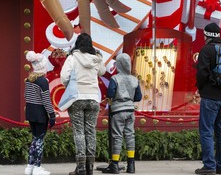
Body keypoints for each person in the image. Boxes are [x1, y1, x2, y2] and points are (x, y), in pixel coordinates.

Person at [60, 33, 106, 175]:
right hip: (93, 98)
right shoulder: (96, 58)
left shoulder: (72, 58)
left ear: (78, 44)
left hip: (77, 98)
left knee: (79, 132)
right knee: (90, 131)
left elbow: (64, 77)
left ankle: (80, 167)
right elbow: (103, 72)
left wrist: (70, 85)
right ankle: (90, 167)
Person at [195, 23, 221, 175]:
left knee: (206, 131)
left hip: (210, 97)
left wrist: (200, 89)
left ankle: (209, 166)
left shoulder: (206, 50)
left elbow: (202, 73)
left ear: (207, 35)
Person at [102, 53, 142, 174]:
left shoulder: (115, 78)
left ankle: (114, 164)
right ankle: (131, 165)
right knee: (130, 135)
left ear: (118, 65)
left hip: (118, 110)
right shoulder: (134, 79)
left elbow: (110, 94)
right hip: (130, 110)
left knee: (117, 136)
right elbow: (138, 97)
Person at [24, 51, 56, 175]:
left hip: (31, 113)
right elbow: (46, 100)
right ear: (43, 66)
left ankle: (29, 166)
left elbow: (26, 96)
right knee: (39, 140)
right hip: (40, 114)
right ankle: (37, 166)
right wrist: (52, 115)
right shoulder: (43, 82)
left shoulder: (28, 80)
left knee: (34, 139)